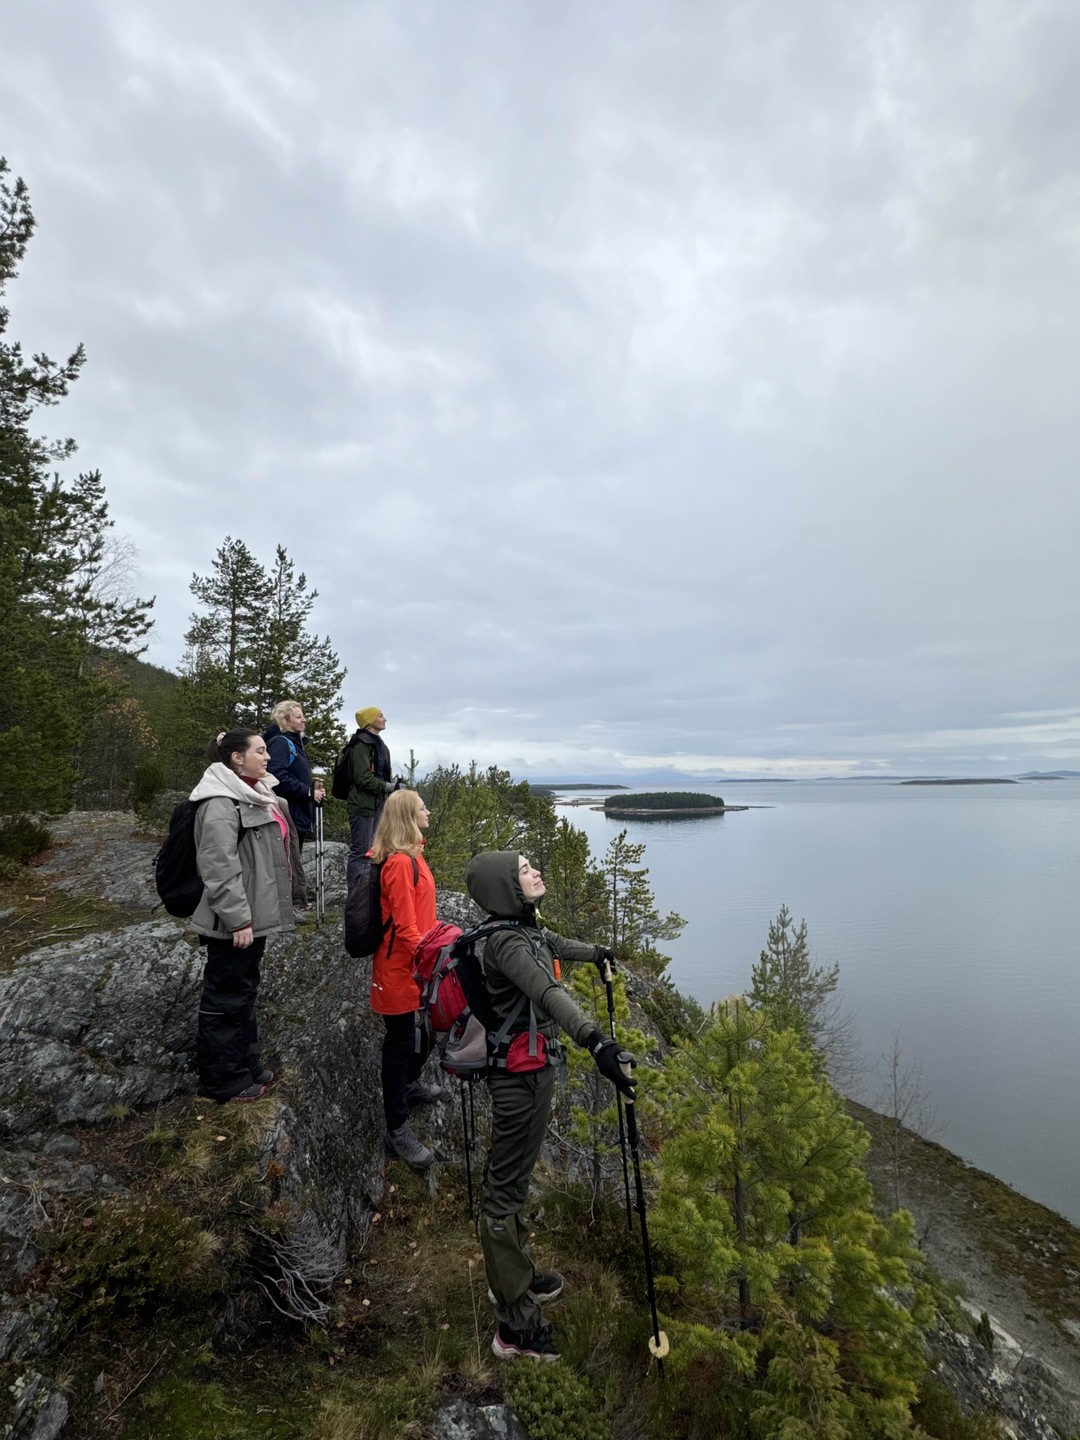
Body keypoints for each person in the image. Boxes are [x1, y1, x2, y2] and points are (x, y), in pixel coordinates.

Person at [465, 851, 636, 1362]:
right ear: (505, 888)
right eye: (523, 870)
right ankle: (514, 1325)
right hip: (517, 1079)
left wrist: (595, 951)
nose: (536, 871)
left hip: (528, 1070)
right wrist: (596, 1042)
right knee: (502, 1195)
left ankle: (516, 1276)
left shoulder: (524, 929)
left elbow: (554, 946)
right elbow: (548, 991)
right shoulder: (506, 943)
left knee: (512, 1183)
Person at [189, 729, 297, 1102]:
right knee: (226, 999)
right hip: (233, 923)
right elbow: (219, 866)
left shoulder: (255, 794)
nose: (267, 757)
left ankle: (245, 1063)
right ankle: (221, 1080)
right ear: (237, 757)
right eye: (260, 751)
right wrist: (238, 919)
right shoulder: (220, 802)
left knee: (244, 992)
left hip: (253, 916)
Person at [369, 788, 444, 1169]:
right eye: (421, 808)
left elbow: (422, 917)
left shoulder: (414, 854)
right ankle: (396, 1129)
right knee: (398, 1044)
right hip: (399, 969)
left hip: (416, 965)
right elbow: (404, 927)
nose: (427, 811)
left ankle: (412, 1084)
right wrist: (435, 953)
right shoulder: (399, 863)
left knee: (427, 1030)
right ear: (406, 817)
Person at [345, 706, 397, 890]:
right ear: (370, 720)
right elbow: (362, 777)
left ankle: (367, 889)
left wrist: (390, 785)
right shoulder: (361, 744)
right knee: (361, 851)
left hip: (377, 803)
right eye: (380, 715)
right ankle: (356, 892)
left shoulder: (378, 744)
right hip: (362, 804)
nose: (384, 719)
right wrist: (388, 786)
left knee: (375, 849)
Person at [263, 700, 325, 848]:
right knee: (288, 864)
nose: (304, 720)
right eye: (298, 717)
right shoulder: (281, 742)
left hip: (296, 815)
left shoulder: (294, 743)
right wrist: (308, 792)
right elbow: (276, 775)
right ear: (285, 720)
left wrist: (313, 791)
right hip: (289, 815)